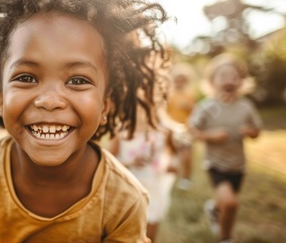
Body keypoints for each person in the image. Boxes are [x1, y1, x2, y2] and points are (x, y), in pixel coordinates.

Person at [0, 0, 170, 242]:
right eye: (26, 77)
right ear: (0, 98)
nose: (49, 100)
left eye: (77, 81)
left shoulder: (124, 202)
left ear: (105, 105)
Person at [188, 54, 262, 243]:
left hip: (238, 165)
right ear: (212, 81)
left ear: (242, 81)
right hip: (216, 164)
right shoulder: (208, 107)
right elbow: (192, 130)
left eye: (234, 76)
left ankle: (214, 209)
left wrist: (250, 132)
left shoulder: (245, 106)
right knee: (231, 203)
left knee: (226, 203)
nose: (229, 80)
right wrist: (210, 135)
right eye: (223, 76)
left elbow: (257, 131)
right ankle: (226, 238)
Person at [109, 105, 177, 243]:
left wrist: (171, 163)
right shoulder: (122, 131)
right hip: (128, 186)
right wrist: (130, 162)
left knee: (151, 228)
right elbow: (109, 162)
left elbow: (172, 152)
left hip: (154, 184)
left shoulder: (163, 130)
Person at [166, 62, 197, 190]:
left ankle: (186, 178)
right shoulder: (169, 95)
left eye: (182, 81)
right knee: (171, 155)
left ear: (186, 82)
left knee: (186, 155)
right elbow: (164, 112)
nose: (179, 83)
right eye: (177, 80)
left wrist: (189, 107)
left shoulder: (189, 95)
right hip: (170, 130)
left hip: (185, 130)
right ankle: (171, 176)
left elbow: (196, 111)